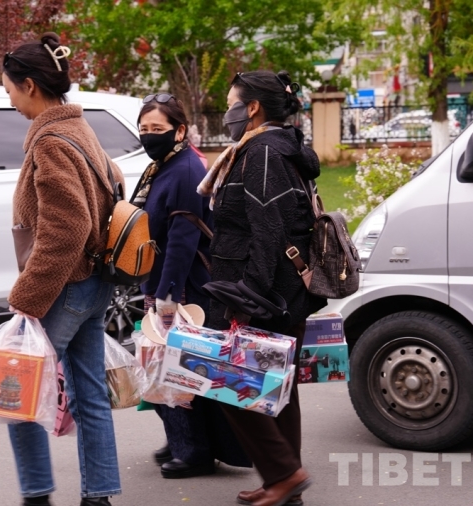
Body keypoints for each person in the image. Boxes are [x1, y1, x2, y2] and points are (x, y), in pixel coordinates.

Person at [1, 32, 124, 506]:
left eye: (9, 90)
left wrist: (26, 299)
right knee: (89, 395)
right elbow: (113, 183)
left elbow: (67, 230)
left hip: (65, 288)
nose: (9, 100)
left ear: (30, 86)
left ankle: (36, 494)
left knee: (14, 389)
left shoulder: (51, 141)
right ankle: (99, 496)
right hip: (94, 285)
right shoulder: (79, 128)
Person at [197, 70, 326, 506]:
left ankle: (285, 474)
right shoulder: (272, 148)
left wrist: (247, 301)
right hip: (280, 291)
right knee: (278, 388)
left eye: (231, 104)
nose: (227, 113)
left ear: (252, 107)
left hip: (265, 293)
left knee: (230, 382)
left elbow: (268, 230)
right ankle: (283, 483)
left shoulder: (264, 153)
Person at [130, 93, 251, 479]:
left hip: (182, 287)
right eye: (144, 128)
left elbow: (182, 239)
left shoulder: (183, 170)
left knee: (178, 369)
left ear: (179, 131)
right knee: (170, 366)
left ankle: (194, 451)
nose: (149, 135)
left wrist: (166, 297)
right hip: (166, 282)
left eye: (158, 128)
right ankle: (182, 439)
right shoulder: (162, 166)